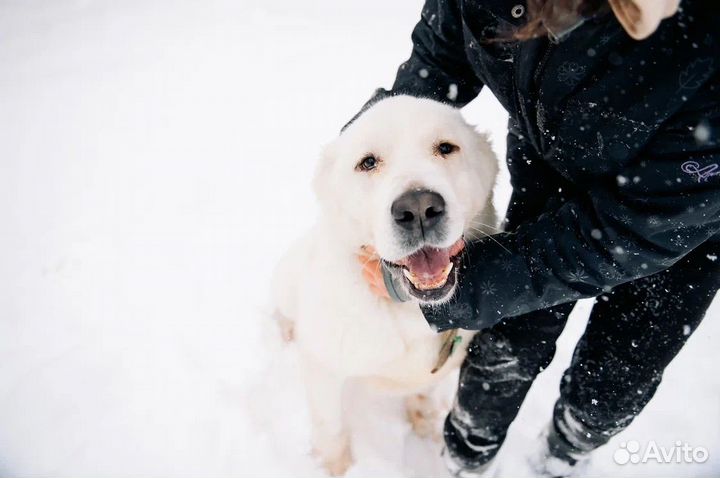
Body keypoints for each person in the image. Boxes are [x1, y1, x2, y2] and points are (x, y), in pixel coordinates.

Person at [356, 0, 720, 475]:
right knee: (505, 347)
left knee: (612, 386)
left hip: (676, 224)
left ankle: (563, 454)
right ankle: (466, 454)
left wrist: (459, 286)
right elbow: (440, 54)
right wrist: (366, 158)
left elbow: (619, 237)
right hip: (551, 161)